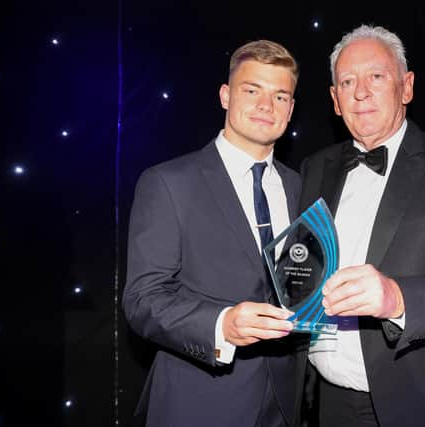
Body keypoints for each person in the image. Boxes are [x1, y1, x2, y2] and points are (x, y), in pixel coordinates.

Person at [298, 25, 425, 427]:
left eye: (376, 76)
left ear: (406, 87)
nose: (360, 92)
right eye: (346, 81)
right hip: (327, 404)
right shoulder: (313, 168)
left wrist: (395, 297)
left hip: (422, 403)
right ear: (334, 101)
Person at [123, 39, 306, 427]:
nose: (265, 106)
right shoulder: (169, 182)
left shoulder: (300, 187)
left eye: (280, 96)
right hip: (199, 400)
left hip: (286, 403)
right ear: (225, 96)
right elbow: (142, 299)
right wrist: (221, 324)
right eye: (251, 90)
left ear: (290, 109)